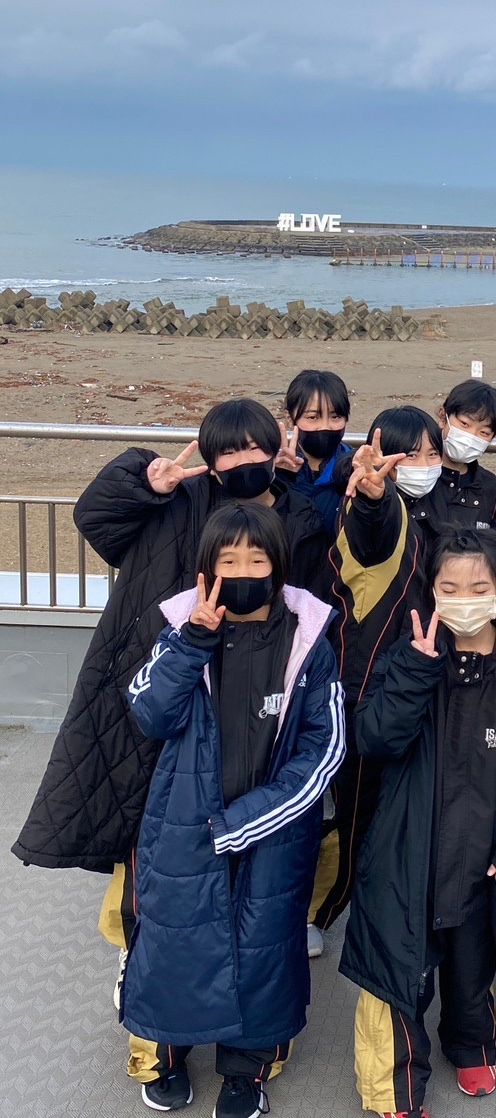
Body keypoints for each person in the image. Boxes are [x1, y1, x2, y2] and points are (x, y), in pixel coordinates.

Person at [10, 399, 335, 987]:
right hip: (162, 681)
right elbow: (95, 519)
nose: (243, 460)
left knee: (237, 826)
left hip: (248, 695)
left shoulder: (300, 516)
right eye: (227, 451)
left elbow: (306, 607)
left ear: (276, 449)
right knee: (147, 825)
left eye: (254, 447)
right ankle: (134, 948)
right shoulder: (179, 502)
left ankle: (241, 957)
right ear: (208, 459)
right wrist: (140, 481)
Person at [120, 504, 344, 1118]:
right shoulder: (181, 628)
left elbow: (324, 747)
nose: (244, 572)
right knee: (174, 939)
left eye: (257, 559)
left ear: (278, 566)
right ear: (207, 569)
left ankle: (246, 1071)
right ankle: (168, 1051)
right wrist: (193, 640)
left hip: (273, 833)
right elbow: (149, 712)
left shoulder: (307, 641)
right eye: (228, 560)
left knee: (263, 949)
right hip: (184, 824)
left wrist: (252, 819)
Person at [339, 528, 496, 1118]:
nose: (464, 599)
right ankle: (394, 1087)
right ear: (432, 592)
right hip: (408, 855)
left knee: (472, 968)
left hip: (486, 860)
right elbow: (372, 739)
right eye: (450, 587)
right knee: (397, 974)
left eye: (478, 587)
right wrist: (416, 672)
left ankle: (470, 1042)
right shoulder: (409, 656)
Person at [309, 407, 447, 935]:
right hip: (366, 685)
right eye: (410, 456)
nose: (424, 466)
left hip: (417, 675)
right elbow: (374, 530)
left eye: (433, 455)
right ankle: (322, 913)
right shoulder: (370, 507)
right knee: (355, 812)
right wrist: (374, 496)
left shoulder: (435, 510)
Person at [427, 378, 496, 533]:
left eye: (483, 432)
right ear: (443, 417)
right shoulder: (414, 474)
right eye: (464, 424)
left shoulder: (494, 489)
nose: (470, 436)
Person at [274, 369, 353, 532]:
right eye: (312, 417)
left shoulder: (355, 468)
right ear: (290, 418)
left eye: (335, 417)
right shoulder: (272, 471)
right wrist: (282, 480)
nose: (325, 426)